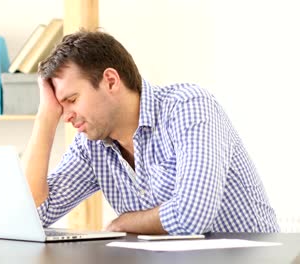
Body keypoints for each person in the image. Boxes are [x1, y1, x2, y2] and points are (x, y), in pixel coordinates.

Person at [21, 30, 279, 235]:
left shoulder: (188, 107)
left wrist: (123, 223)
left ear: (110, 81)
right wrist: (45, 117)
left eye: (73, 99)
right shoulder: (92, 144)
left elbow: (193, 215)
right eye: (59, 105)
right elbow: (32, 215)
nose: (65, 115)